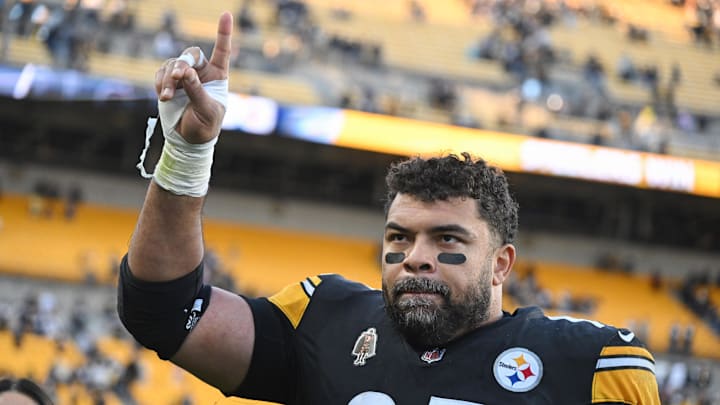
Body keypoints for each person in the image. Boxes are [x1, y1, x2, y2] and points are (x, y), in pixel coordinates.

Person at [117, 12, 661, 404]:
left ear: (501, 263)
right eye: (399, 237)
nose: (414, 258)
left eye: (448, 240)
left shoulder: (589, 366)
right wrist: (189, 154)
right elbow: (162, 313)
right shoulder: (325, 322)